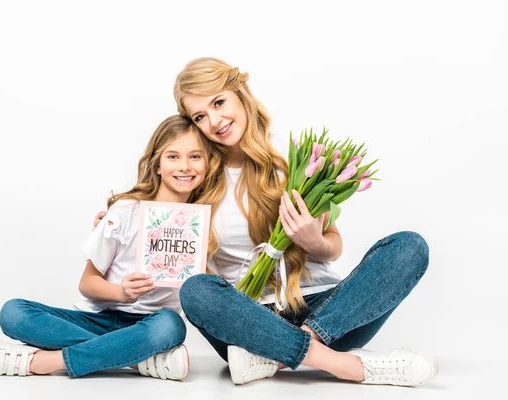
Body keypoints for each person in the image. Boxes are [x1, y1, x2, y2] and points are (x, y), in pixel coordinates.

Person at [93, 57, 437, 387]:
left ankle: (285, 353)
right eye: (199, 116)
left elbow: (332, 247)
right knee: (196, 290)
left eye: (218, 103)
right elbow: (161, 216)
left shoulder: (293, 165)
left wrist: (312, 240)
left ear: (240, 94)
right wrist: (120, 218)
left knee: (409, 246)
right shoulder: (198, 179)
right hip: (249, 320)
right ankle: (347, 366)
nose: (214, 121)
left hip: (328, 312)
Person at [0, 115, 220, 380]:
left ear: (207, 163)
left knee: (172, 326)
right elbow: (87, 283)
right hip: (97, 318)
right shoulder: (125, 211)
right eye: (172, 157)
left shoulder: (205, 223)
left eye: (195, 157)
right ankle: (135, 360)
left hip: (149, 325)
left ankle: (45, 362)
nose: (184, 166)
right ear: (157, 164)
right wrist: (123, 292)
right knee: (13, 312)